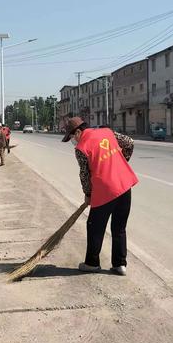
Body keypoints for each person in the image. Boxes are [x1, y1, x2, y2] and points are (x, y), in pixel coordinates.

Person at [62, 117, 138, 276]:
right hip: (125, 186)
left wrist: (88, 195)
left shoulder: (82, 147)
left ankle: (92, 263)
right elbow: (129, 142)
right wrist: (122, 161)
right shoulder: (107, 132)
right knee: (119, 227)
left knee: (94, 226)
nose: (72, 141)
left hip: (105, 191)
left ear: (78, 132)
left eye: (71, 137)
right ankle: (120, 265)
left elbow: (84, 175)